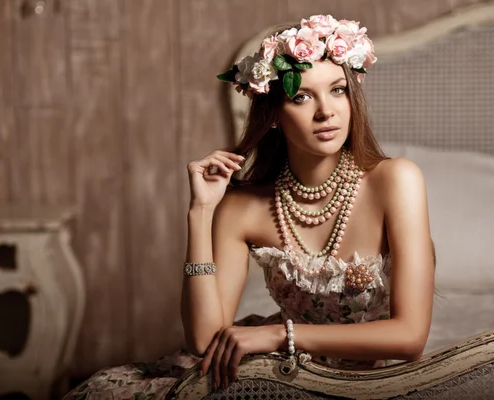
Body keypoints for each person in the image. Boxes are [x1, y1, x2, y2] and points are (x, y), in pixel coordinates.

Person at [64, 14, 435, 400]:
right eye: (302, 97)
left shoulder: (397, 180)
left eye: (338, 90)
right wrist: (201, 212)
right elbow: (205, 339)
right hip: (280, 373)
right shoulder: (243, 207)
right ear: (273, 114)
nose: (327, 111)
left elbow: (410, 338)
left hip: (368, 379)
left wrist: (279, 333)